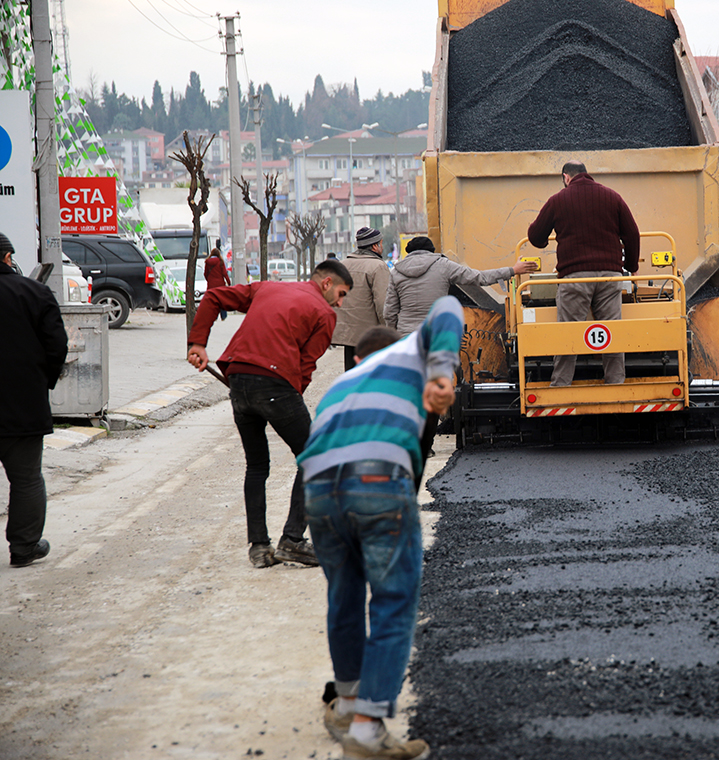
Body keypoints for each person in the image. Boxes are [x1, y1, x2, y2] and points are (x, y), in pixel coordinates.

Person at [300, 297, 464, 760]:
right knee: (393, 599)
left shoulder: (343, 381)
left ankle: (348, 706)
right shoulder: (410, 352)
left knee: (344, 594)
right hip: (376, 477)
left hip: (317, 487)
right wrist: (440, 374)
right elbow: (449, 307)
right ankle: (369, 730)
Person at [186, 259, 353, 568]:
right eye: (341, 294)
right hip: (275, 383)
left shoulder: (267, 288)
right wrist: (289, 402)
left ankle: (259, 548)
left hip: (238, 377)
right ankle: (292, 540)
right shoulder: (324, 313)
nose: (340, 303)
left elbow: (213, 297)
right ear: (327, 284)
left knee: (257, 465)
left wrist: (198, 343)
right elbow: (305, 367)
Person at [527, 160, 640, 386]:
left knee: (569, 334)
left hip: (575, 278)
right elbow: (632, 234)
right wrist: (631, 266)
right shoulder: (612, 196)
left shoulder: (558, 200)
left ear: (566, 177)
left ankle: (561, 386)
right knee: (611, 333)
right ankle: (616, 384)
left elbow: (536, 236)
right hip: (610, 277)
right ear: (586, 174)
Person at [0, 233, 68, 567]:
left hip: (22, 402)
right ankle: (24, 547)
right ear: (8, 258)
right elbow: (58, 346)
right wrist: (43, 382)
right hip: (22, 405)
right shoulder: (35, 292)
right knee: (26, 478)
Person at [384, 236, 536, 338]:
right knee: (440, 379)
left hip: (407, 336)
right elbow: (480, 277)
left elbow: (389, 312)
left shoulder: (396, 272)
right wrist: (512, 270)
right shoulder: (443, 266)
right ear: (432, 251)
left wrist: (395, 334)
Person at [332, 227, 392, 371]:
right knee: (371, 378)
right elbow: (382, 303)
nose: (382, 247)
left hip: (348, 334)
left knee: (352, 375)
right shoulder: (378, 266)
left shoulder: (343, 265)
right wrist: (388, 330)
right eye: (381, 243)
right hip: (370, 335)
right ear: (374, 246)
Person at [203, 246, 232, 320]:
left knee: (212, 301)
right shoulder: (220, 262)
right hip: (220, 285)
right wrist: (229, 283)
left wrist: (209, 280)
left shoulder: (208, 262)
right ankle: (223, 316)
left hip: (211, 285)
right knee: (222, 300)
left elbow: (205, 274)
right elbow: (224, 273)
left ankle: (214, 316)